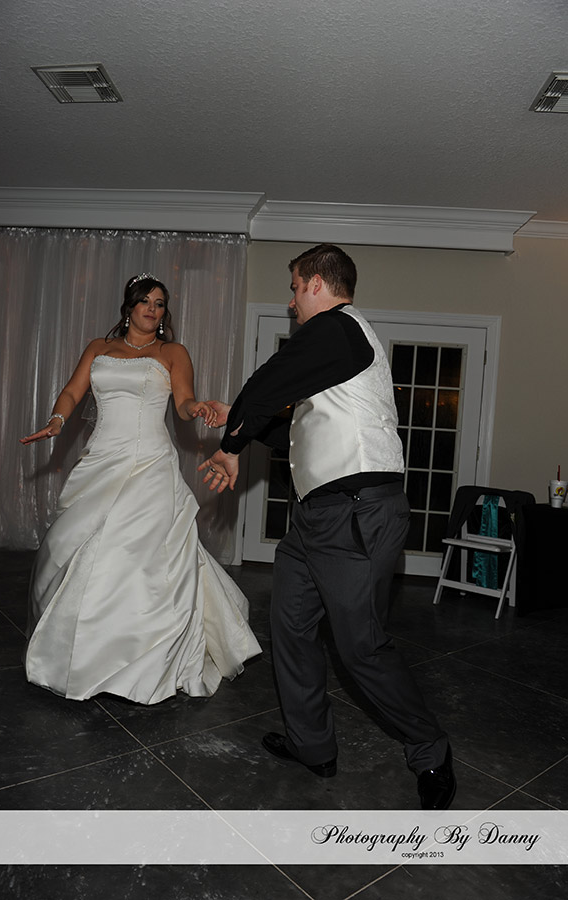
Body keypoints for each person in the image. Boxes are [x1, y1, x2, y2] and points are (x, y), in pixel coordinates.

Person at [199, 244, 456, 809]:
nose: (291, 301)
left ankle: (430, 749)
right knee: (291, 628)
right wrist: (239, 421)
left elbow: (268, 382)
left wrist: (233, 442)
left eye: (295, 287)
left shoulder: (338, 327)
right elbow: (299, 430)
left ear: (317, 283)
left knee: (361, 647)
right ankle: (311, 744)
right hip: (316, 520)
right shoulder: (336, 354)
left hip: (356, 513)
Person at [20, 273, 261, 704]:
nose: (152, 309)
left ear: (165, 313)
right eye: (145, 301)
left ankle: (146, 656)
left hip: (151, 463)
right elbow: (73, 392)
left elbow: (183, 403)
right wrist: (57, 421)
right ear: (129, 306)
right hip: (101, 460)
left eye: (160, 303)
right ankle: (83, 652)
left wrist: (197, 407)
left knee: (135, 554)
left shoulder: (172, 352)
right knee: (77, 546)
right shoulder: (99, 348)